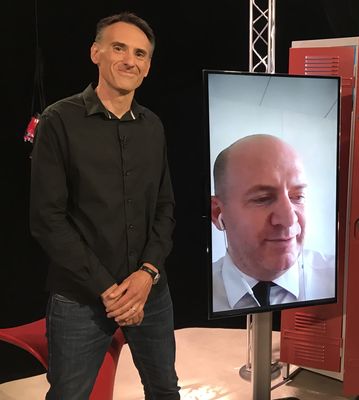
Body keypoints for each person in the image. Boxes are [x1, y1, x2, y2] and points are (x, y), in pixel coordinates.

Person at [29, 12, 180, 399]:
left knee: (164, 389)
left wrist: (147, 274)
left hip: (149, 290)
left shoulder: (153, 126)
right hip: (80, 296)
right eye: (119, 48)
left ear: (148, 67)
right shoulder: (58, 121)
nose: (131, 60)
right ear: (96, 53)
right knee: (69, 395)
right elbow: (47, 220)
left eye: (141, 54)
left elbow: (165, 209)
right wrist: (109, 291)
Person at [210, 134, 335, 312]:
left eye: (297, 197)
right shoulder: (191, 295)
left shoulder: (343, 280)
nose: (289, 220)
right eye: (263, 198)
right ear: (217, 213)